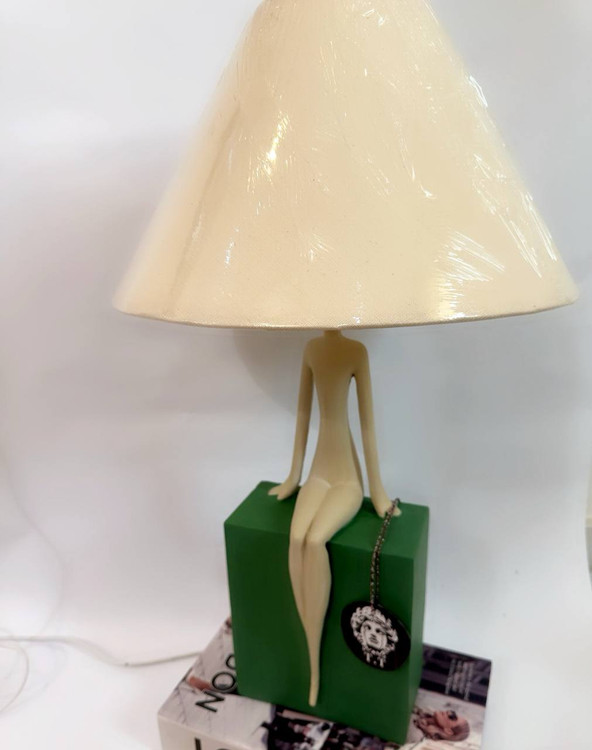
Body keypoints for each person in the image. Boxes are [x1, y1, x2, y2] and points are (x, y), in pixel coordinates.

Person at [270, 331, 395, 706]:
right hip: (318, 474)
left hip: (346, 481)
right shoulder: (311, 349)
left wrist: (378, 492)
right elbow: (303, 414)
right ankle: (310, 644)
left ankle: (315, 666)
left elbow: (367, 425)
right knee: (295, 539)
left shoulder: (356, 352)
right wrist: (294, 475)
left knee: (315, 541)